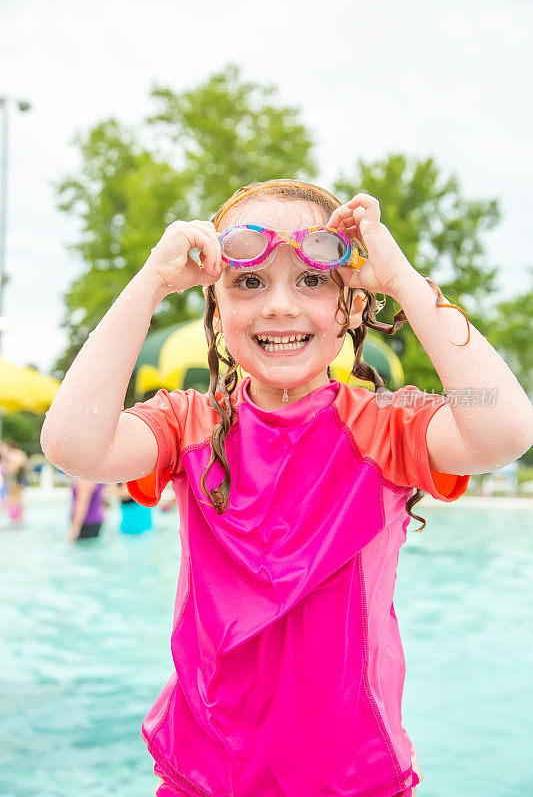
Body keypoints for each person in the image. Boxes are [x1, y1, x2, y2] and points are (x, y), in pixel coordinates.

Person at [41, 179, 533, 797]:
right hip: (203, 773)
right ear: (217, 310)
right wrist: (149, 283)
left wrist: (404, 279)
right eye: (250, 282)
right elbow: (70, 443)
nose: (279, 305)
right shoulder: (192, 424)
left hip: (352, 779)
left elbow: (505, 428)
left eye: (310, 280)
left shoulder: (385, 425)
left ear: (350, 308)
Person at [0, 440, 29, 526]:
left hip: (17, 479)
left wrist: (7, 468)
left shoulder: (15, 454)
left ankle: (17, 518)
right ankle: (17, 518)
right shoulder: (16, 454)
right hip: (18, 479)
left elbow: (15, 468)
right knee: (15, 498)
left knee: (15, 498)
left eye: (3, 446)